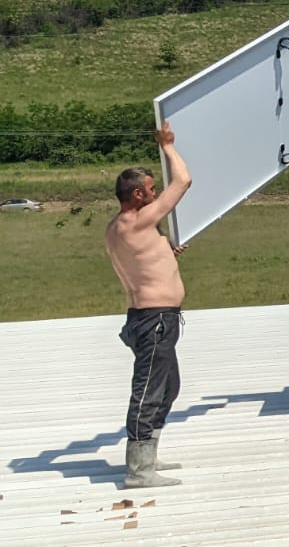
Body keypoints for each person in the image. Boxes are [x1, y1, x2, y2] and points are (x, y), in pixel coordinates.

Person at [105, 120, 192, 489]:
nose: (157, 195)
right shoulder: (138, 222)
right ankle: (138, 471)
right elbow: (184, 182)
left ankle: (149, 455)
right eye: (151, 190)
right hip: (154, 319)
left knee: (168, 386)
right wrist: (168, 145)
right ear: (137, 195)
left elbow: (141, 259)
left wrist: (164, 249)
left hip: (151, 318)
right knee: (147, 390)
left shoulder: (118, 228)